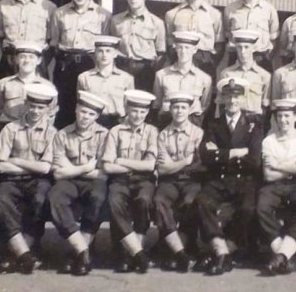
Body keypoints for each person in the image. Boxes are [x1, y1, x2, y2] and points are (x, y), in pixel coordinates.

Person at [195, 77, 263, 275]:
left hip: (245, 180)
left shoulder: (253, 125)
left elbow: (254, 161)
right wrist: (236, 152)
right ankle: (222, 250)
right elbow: (206, 156)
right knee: (202, 201)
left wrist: (221, 153)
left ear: (243, 99)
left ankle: (225, 251)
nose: (233, 101)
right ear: (222, 99)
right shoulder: (213, 124)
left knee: (248, 209)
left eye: (237, 97)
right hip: (219, 179)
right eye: (228, 97)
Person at [0, 84, 58, 274]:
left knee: (39, 200)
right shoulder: (11, 129)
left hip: (39, 181)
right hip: (11, 180)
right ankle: (24, 254)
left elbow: (45, 168)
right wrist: (28, 166)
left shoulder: (52, 133)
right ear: (26, 104)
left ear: (48, 109)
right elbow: (0, 165)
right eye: (33, 106)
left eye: (41, 107)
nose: (36, 111)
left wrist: (16, 160)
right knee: (2, 200)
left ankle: (22, 250)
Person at [47, 91, 111, 276]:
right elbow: (58, 173)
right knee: (55, 197)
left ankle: (77, 253)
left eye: (91, 114)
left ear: (97, 116)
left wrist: (73, 168)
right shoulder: (62, 135)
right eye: (83, 112)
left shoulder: (104, 135)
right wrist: (85, 168)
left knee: (98, 197)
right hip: (69, 181)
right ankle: (82, 250)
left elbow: (103, 171)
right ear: (76, 110)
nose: (86, 117)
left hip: (94, 181)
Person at [257, 99, 296, 275]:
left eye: (287, 116)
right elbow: (268, 175)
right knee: (261, 208)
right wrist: (293, 166)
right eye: (279, 116)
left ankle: (280, 256)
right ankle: (284, 255)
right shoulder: (269, 141)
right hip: (274, 184)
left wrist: (278, 164)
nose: (283, 120)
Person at [102, 90, 158, 273]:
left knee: (143, 200)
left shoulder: (151, 131)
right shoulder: (115, 132)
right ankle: (136, 254)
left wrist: (121, 161)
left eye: (142, 112)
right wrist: (135, 165)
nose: (138, 116)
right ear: (126, 109)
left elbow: (150, 165)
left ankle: (131, 252)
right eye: (134, 111)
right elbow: (108, 167)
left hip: (144, 180)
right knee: (114, 202)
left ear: (147, 113)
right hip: (119, 180)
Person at [50, 0, 111, 129]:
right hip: (65, 66)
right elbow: (54, 43)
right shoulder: (59, 13)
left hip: (90, 64)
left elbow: (104, 45)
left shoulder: (103, 15)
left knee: (89, 107)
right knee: (64, 108)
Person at [153, 93, 205, 272]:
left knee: (191, 201)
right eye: (175, 107)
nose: (179, 111)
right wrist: (184, 162)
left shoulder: (199, 133)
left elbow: (198, 164)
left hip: (192, 180)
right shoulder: (163, 135)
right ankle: (178, 251)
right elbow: (162, 169)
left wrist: (173, 165)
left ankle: (187, 243)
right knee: (160, 200)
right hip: (170, 181)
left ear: (190, 110)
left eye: (183, 107)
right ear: (170, 109)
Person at [164, 0, 224, 77]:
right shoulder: (172, 14)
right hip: (180, 65)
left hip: (205, 65)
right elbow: (169, 43)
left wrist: (210, 62)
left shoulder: (214, 14)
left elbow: (219, 46)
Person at [109, 0, 166, 92]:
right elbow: (111, 47)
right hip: (122, 67)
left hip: (145, 71)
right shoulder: (116, 21)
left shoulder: (156, 23)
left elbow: (161, 53)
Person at [222, 0, 279, 72]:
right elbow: (227, 35)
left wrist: (266, 57)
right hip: (236, 61)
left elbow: (274, 40)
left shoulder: (269, 10)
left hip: (261, 60)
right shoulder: (230, 9)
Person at [152, 31, 212, 127]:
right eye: (180, 47)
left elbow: (204, 106)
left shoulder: (205, 78)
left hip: (193, 122)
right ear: (175, 48)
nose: (183, 51)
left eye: (187, 47)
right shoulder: (161, 75)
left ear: (195, 49)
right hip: (167, 121)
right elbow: (157, 104)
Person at [77, 35, 135, 129]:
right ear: (95, 53)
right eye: (100, 51)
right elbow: (81, 104)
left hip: (117, 122)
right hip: (92, 123)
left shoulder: (126, 78)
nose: (104, 55)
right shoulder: (84, 77)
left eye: (108, 51)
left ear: (115, 54)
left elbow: (129, 105)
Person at [0, 41, 55, 129]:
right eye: (22, 57)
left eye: (31, 57)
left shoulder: (48, 87)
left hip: (35, 131)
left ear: (39, 60)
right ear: (16, 59)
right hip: (9, 129)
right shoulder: (4, 83)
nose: (27, 61)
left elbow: (51, 114)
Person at [218, 30, 272, 118]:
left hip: (254, 121)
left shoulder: (264, 75)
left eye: (246, 47)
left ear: (254, 48)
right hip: (232, 120)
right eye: (239, 47)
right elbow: (221, 102)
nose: (243, 51)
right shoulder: (226, 74)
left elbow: (265, 105)